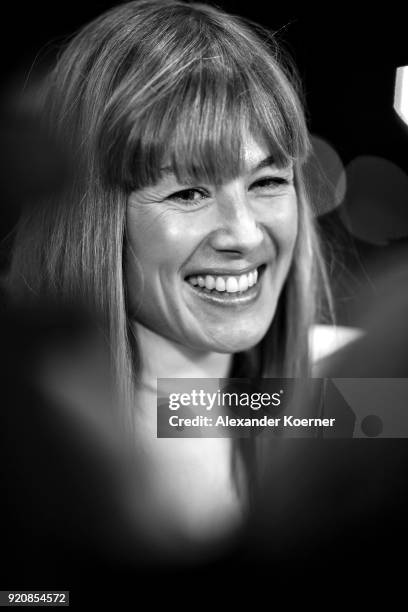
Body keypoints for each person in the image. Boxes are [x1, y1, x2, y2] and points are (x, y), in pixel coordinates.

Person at [3, 0, 332, 549]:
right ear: (90, 218)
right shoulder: (36, 452)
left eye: (268, 181)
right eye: (189, 193)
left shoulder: (349, 395)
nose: (246, 235)